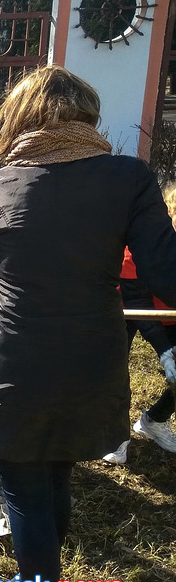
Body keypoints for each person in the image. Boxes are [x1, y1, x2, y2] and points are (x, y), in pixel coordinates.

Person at [0, 64, 176, 582]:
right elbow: (164, 271)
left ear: (23, 119)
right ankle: (55, 557)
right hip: (91, 355)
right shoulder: (129, 177)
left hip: (16, 355)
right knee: (54, 459)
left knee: (26, 480)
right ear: (89, 118)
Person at [104, 185, 176, 463]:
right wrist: (164, 350)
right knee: (113, 368)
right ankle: (115, 434)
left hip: (169, 308)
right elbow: (136, 299)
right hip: (127, 303)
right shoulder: (147, 241)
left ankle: (155, 421)